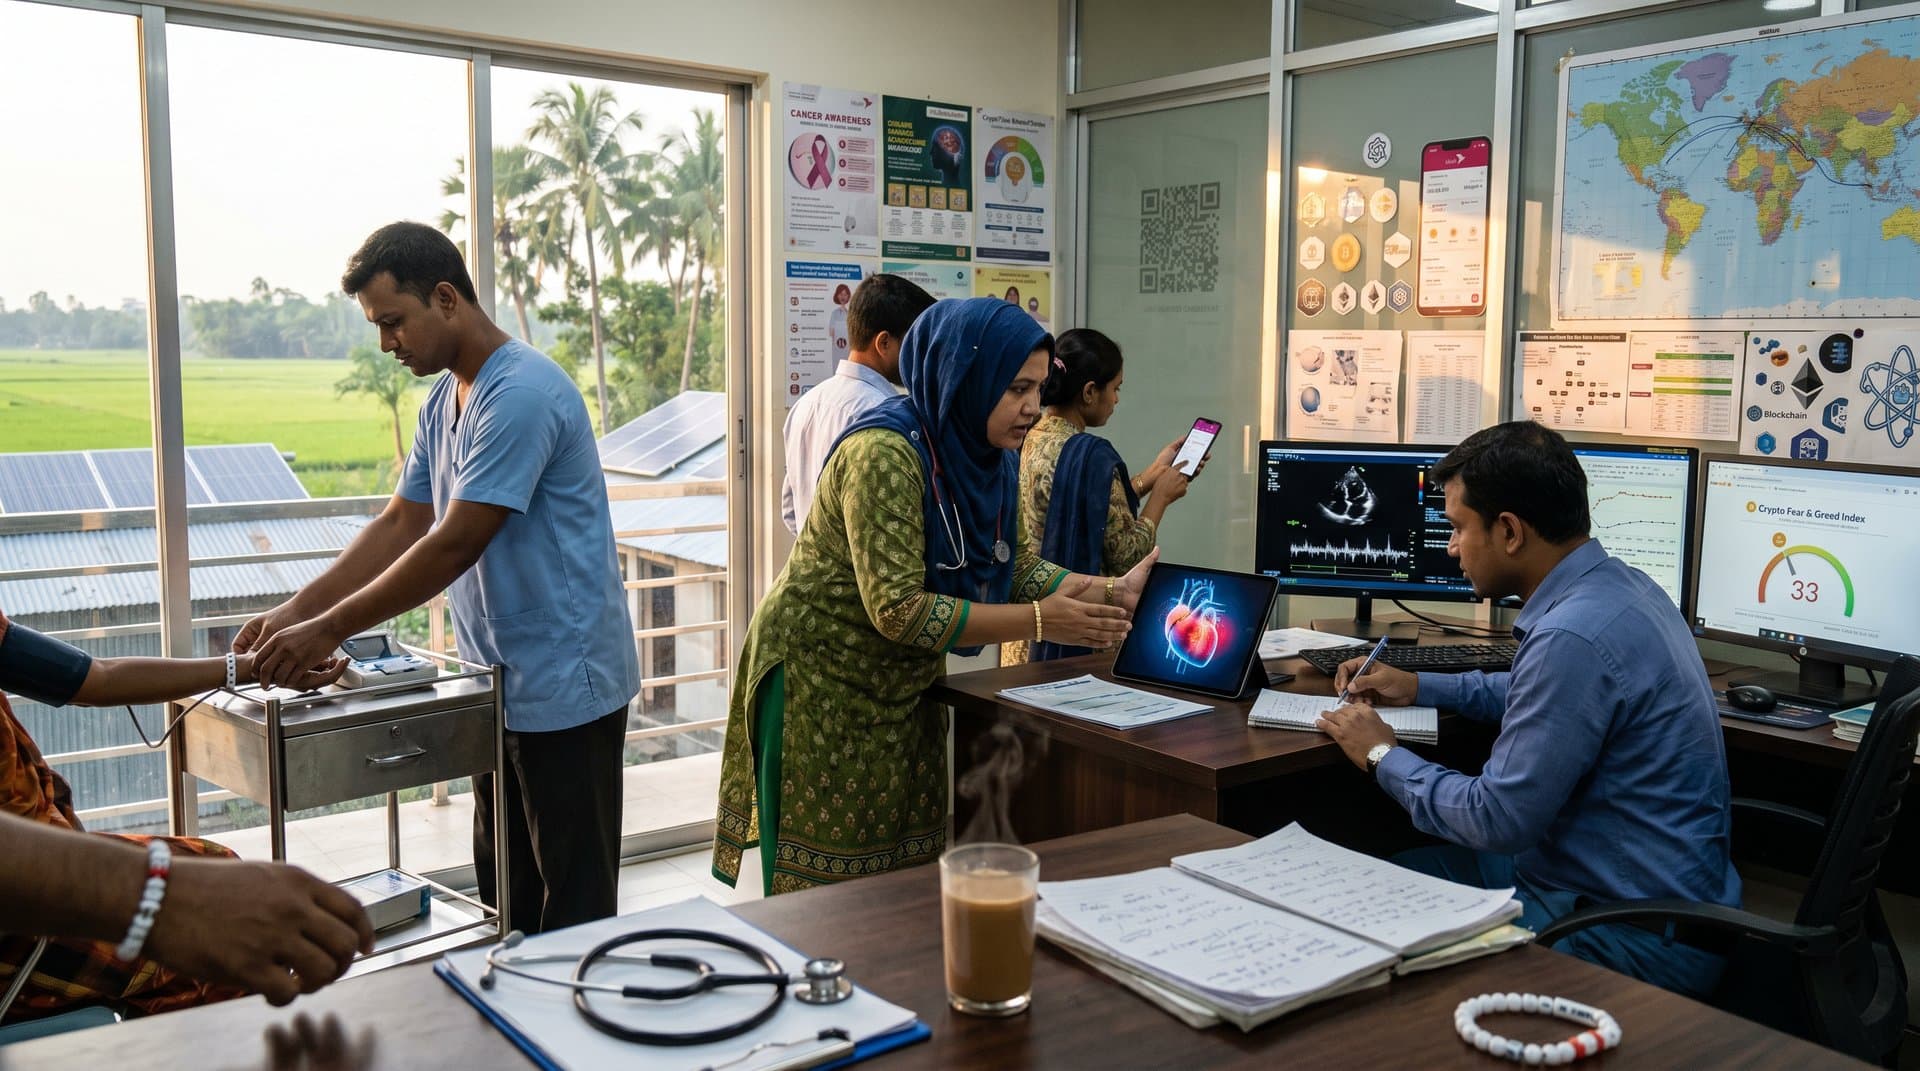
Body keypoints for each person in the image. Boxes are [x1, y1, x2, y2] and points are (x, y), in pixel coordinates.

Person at [240, 222, 640, 936]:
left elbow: (454, 542)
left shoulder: (520, 395)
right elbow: (401, 523)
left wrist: (328, 630)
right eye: (377, 327)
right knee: (509, 895)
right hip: (500, 683)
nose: (387, 344)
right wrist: (293, 611)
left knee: (574, 910)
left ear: (447, 298)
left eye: (394, 322)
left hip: (566, 686)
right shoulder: (444, 402)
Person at [715, 298, 1157, 896]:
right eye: (1016, 389)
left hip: (902, 684)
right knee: (829, 898)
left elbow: (1012, 565)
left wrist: (1108, 589)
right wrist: (1036, 620)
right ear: (965, 378)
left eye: (1038, 387)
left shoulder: (987, 453)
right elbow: (898, 607)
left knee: (904, 878)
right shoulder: (885, 454)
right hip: (822, 681)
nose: (1032, 407)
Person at [1316, 420, 1738, 999]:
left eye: (1459, 528)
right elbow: (1538, 694)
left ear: (1509, 531)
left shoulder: (1572, 635)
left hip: (1619, 935)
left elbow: (1496, 820)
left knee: (1358, 903)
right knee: (1380, 870)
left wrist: (1381, 752)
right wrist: (1419, 686)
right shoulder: (1624, 588)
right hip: (1654, 899)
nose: (1450, 546)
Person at [0, 608, 368, 1023]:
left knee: (218, 868)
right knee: (228, 938)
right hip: (21, 920)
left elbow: (99, 676)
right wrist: (157, 901)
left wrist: (251, 667)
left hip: (44, 855)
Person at [1002, 329, 1201, 665]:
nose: (1118, 399)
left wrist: (1149, 477)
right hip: (1075, 629)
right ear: (1090, 392)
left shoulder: (1028, 437)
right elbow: (1125, 556)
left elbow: (1082, 509)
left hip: (1023, 632)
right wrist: (1161, 499)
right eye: (1116, 388)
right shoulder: (1091, 457)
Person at [781, 274, 936, 535]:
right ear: (884, 342)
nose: (921, 353)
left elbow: (790, 510)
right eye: (915, 342)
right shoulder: (884, 414)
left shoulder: (806, 404)